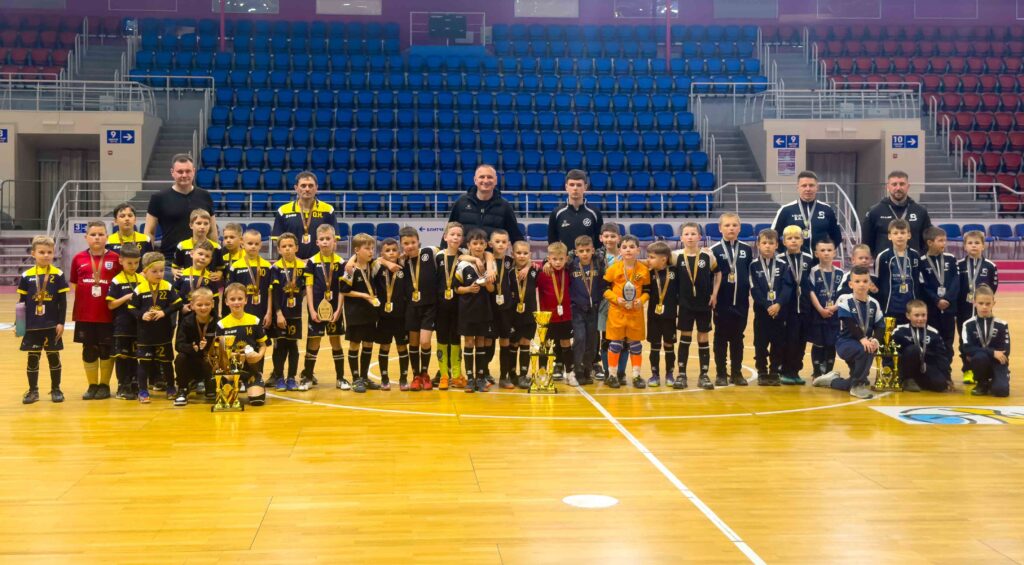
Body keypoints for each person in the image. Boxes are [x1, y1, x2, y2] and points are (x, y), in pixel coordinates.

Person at [812, 265, 884, 399]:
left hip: (863, 343)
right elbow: (849, 322)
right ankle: (857, 387)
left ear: (870, 284)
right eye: (857, 281)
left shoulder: (875, 303)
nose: (861, 284)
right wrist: (863, 339)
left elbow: (880, 326)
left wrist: (875, 340)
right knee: (866, 350)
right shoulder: (845, 300)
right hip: (845, 343)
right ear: (851, 284)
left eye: (865, 281)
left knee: (859, 372)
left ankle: (832, 380)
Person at [69, 221, 120, 400]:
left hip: (108, 314)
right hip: (85, 315)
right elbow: (74, 283)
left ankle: (104, 385)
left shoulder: (115, 258)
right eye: (93, 234)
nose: (97, 237)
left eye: (100, 234)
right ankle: (92, 385)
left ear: (107, 237)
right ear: (86, 237)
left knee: (106, 349)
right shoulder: (78, 258)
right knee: (89, 349)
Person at [145, 154, 217, 275]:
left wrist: (215, 259)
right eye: (180, 171)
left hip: (201, 261)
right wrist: (148, 260)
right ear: (172, 172)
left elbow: (212, 231)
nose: (184, 175)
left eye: (188, 171)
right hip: (170, 262)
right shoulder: (158, 198)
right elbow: (149, 232)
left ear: (194, 171)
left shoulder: (205, 196)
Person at [19, 236, 68, 404]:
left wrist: (61, 323)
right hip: (32, 326)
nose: (46, 255)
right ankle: (33, 391)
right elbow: (21, 302)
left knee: (54, 357)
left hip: (52, 325)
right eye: (42, 252)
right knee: (33, 359)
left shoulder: (58, 274)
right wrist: (20, 325)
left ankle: (56, 389)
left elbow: (62, 302)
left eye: (49, 252)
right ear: (33, 253)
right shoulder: (26, 276)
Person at [130, 252, 183, 403]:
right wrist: (142, 315)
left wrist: (164, 312)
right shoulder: (140, 289)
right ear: (145, 272)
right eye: (154, 271)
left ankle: (171, 387)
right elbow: (131, 308)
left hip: (163, 333)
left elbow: (178, 303)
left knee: (166, 362)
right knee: (144, 363)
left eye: (161, 270)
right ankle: (143, 390)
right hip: (145, 335)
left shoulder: (167, 286)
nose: (159, 274)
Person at [673, 223, 719, 390]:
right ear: (681, 238)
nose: (690, 237)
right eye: (686, 234)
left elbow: (718, 273)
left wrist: (714, 294)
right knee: (685, 337)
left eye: (693, 234)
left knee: (703, 336)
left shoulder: (708, 255)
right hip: (685, 304)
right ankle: (681, 374)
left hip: (703, 304)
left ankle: (704, 375)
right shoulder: (675, 256)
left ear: (700, 237)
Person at [709, 212, 753, 387]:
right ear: (720, 228)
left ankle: (736, 372)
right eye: (727, 225)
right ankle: (721, 373)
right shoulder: (714, 250)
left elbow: (748, 273)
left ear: (739, 228)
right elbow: (711, 277)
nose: (731, 228)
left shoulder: (746, 249)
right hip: (722, 302)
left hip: (741, 302)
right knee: (720, 337)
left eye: (734, 225)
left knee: (738, 338)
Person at [302, 224, 346, 390]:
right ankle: (307, 377)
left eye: (328, 239)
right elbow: (309, 287)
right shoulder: (312, 262)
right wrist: (312, 310)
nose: (325, 242)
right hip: (316, 311)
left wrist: (339, 310)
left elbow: (342, 289)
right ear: (317, 242)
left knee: (336, 342)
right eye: (322, 239)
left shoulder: (340, 263)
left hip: (335, 310)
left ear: (335, 241)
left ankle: (340, 378)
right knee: (314, 342)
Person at [602, 235, 650, 389]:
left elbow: (648, 290)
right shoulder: (613, 269)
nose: (628, 250)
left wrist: (641, 300)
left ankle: (636, 375)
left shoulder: (643, 270)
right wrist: (616, 299)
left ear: (638, 250)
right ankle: (612, 375)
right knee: (615, 344)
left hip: (635, 313)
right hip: (617, 312)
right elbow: (604, 289)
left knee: (635, 345)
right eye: (624, 247)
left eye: (631, 247)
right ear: (620, 251)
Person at [750, 228, 794, 386]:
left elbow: (787, 287)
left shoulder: (783, 265)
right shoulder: (753, 265)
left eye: (771, 243)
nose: (767, 246)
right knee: (760, 343)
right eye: (764, 243)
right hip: (762, 312)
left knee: (778, 342)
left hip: (779, 311)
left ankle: (774, 371)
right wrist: (767, 305)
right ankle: (762, 371)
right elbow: (754, 289)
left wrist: (778, 304)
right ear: (758, 245)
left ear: (777, 245)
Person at [456, 229, 496, 393]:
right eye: (475, 243)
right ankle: (470, 378)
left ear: (486, 245)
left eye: (481, 243)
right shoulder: (463, 265)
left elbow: (492, 289)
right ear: (468, 245)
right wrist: (468, 289)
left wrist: (487, 282)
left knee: (481, 341)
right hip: (467, 310)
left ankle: (480, 377)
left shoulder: (490, 265)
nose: (478, 246)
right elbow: (456, 288)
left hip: (484, 309)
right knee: (469, 342)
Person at [340, 234, 381, 394]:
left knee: (368, 344)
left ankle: (364, 377)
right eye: (367, 248)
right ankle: (356, 378)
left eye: (372, 248)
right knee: (355, 344)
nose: (371, 251)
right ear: (357, 250)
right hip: (355, 313)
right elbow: (344, 290)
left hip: (370, 312)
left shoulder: (372, 265)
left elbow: (383, 259)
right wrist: (364, 295)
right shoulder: (350, 269)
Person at [957, 230, 999, 384]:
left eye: (977, 243)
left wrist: (984, 302)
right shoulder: (959, 265)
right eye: (970, 243)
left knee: (984, 338)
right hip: (963, 309)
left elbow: (993, 287)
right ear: (964, 246)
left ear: (983, 246)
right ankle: (967, 370)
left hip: (983, 310)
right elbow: (956, 287)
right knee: (964, 339)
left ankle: (983, 370)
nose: (973, 246)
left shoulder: (990, 266)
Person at [217, 283, 269, 406]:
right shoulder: (222, 324)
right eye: (232, 299)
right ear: (226, 302)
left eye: (240, 298)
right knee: (227, 401)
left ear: (246, 300)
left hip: (251, 367)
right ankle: (233, 382)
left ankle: (255, 379)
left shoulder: (255, 320)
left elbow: (263, 345)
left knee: (257, 401)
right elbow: (220, 351)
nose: (236, 302)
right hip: (231, 369)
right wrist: (234, 356)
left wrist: (258, 356)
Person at [399, 226, 437, 391]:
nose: (410, 246)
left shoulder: (430, 252)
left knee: (425, 341)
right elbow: (379, 261)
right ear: (401, 245)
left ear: (418, 241)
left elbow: (455, 252)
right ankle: (416, 376)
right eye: (406, 243)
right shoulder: (401, 262)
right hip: (411, 307)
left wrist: (484, 258)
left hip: (429, 306)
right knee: (413, 343)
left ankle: (425, 373)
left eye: (413, 242)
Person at [771, 171, 842, 257]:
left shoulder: (827, 209)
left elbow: (837, 237)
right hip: (794, 261)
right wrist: (785, 252)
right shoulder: (786, 210)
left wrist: (826, 252)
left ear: (817, 187)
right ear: (798, 187)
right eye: (804, 185)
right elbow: (773, 236)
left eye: (811, 185)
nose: (808, 189)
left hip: (820, 261)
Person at [446, 164, 524, 243]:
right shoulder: (461, 202)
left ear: (496, 180)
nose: (486, 181)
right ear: (475, 180)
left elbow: (516, 236)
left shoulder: (504, 206)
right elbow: (449, 231)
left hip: (493, 251)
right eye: (482, 177)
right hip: (465, 251)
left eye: (490, 177)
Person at [271, 171, 339, 260]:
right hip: (290, 263)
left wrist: (312, 262)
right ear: (296, 188)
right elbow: (277, 242)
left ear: (316, 188)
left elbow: (334, 242)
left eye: (311, 186)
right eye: (303, 186)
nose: (307, 189)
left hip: (318, 264)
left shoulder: (328, 210)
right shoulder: (283, 211)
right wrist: (298, 261)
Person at [861, 170, 933, 255]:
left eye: (902, 184)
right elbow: (866, 242)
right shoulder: (874, 211)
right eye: (894, 184)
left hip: (913, 262)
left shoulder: (920, 211)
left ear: (908, 186)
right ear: (888, 187)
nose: (898, 188)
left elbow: (927, 241)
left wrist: (919, 258)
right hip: (884, 262)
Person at [106, 243, 143, 400]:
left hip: (138, 326)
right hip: (122, 326)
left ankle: (135, 384)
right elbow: (111, 304)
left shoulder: (142, 279)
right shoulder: (117, 280)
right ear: (121, 261)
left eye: (136, 263)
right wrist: (126, 297)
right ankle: (123, 385)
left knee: (135, 356)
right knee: (122, 356)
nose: (133, 266)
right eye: (129, 263)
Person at [270, 233, 306, 391]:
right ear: (279, 249)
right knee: (279, 346)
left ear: (296, 248)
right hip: (280, 314)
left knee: (293, 346)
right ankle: (279, 378)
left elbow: (306, 289)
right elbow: (275, 293)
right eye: (284, 246)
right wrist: (278, 313)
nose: (287, 249)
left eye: (290, 246)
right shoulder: (276, 268)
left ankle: (291, 377)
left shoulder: (303, 267)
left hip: (295, 315)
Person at [372, 238, 409, 391]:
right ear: (382, 253)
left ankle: (403, 379)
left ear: (399, 252)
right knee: (384, 347)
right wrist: (386, 263)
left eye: (394, 250)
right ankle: (384, 378)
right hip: (384, 316)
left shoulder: (404, 265)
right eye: (387, 251)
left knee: (402, 347)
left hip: (401, 316)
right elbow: (371, 260)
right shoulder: (377, 266)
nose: (391, 253)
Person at [778, 225, 813, 385]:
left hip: (804, 306)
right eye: (790, 238)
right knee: (788, 339)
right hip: (788, 307)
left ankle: (796, 371)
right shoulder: (780, 259)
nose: (793, 241)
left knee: (801, 340)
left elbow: (810, 283)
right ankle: (785, 370)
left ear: (802, 240)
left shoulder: (808, 259)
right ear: (784, 242)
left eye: (797, 238)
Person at [536, 241, 575, 385]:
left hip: (565, 316)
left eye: (561, 259)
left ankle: (570, 373)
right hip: (547, 317)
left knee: (566, 343)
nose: (558, 262)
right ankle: (542, 374)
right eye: (554, 259)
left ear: (566, 258)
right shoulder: (542, 273)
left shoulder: (569, 272)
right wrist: (543, 264)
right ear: (548, 259)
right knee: (545, 345)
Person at [960, 285, 1010, 397]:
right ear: (974, 303)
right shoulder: (968, 324)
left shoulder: (1002, 324)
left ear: (993, 303)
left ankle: (997, 379)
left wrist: (979, 351)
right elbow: (967, 348)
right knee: (979, 357)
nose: (984, 307)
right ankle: (982, 383)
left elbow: (1006, 351)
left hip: (998, 362)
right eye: (981, 303)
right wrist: (992, 352)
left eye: (988, 304)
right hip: (981, 361)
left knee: (1001, 391)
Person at [919, 226, 960, 364]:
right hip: (932, 308)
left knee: (948, 339)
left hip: (949, 307)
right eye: (940, 240)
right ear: (930, 242)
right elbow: (923, 286)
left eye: (945, 240)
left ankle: (946, 369)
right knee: (932, 338)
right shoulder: (922, 261)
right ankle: (932, 368)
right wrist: (936, 300)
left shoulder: (951, 259)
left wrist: (947, 299)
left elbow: (956, 281)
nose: (944, 243)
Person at [893, 300, 952, 393]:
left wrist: (947, 377)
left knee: (941, 385)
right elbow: (891, 353)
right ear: (908, 316)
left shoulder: (933, 333)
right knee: (914, 349)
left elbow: (941, 357)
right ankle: (907, 380)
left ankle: (918, 382)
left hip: (925, 368)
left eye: (923, 315)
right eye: (916, 315)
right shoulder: (899, 331)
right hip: (906, 369)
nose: (920, 318)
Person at [172, 287, 218, 406]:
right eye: (199, 305)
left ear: (213, 304)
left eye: (207, 304)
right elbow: (178, 345)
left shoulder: (218, 322)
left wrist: (210, 347)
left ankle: (211, 387)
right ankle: (182, 389)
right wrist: (192, 348)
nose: (203, 308)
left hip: (210, 361)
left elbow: (222, 344)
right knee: (181, 358)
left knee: (214, 359)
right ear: (192, 305)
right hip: (192, 361)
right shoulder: (186, 321)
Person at [570, 235, 605, 387]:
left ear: (593, 250)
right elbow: (554, 260)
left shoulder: (598, 263)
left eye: (587, 250)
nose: (584, 253)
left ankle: (587, 369)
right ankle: (577, 369)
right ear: (576, 252)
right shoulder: (571, 265)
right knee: (579, 338)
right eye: (581, 251)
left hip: (594, 309)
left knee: (592, 341)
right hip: (577, 309)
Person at [807, 238, 844, 379]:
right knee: (818, 343)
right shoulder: (813, 271)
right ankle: (817, 372)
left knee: (831, 343)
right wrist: (820, 309)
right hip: (818, 314)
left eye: (829, 250)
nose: (826, 253)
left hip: (834, 316)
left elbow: (843, 295)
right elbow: (811, 292)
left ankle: (828, 372)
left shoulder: (840, 273)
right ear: (816, 253)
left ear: (834, 252)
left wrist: (833, 308)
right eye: (822, 250)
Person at [435, 222, 466, 390]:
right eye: (452, 234)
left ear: (462, 239)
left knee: (455, 339)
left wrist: (473, 258)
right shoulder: (438, 256)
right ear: (445, 237)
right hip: (440, 306)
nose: (455, 237)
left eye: (459, 235)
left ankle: (456, 374)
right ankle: (443, 376)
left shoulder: (464, 256)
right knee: (442, 339)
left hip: (458, 306)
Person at [487, 229, 518, 389]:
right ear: (490, 244)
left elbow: (527, 261)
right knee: (488, 341)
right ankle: (484, 373)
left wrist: (528, 266)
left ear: (508, 244)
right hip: (489, 308)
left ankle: (504, 376)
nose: (500, 244)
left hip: (506, 309)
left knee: (505, 341)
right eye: (497, 241)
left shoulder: (511, 261)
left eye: (504, 242)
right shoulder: (486, 260)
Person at [643, 241, 677, 388]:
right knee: (655, 345)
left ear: (663, 259)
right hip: (653, 317)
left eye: (651, 257)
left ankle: (670, 374)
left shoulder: (675, 272)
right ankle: (654, 374)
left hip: (670, 316)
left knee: (669, 345)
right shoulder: (649, 273)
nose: (648, 260)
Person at [875, 219, 921, 324]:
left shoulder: (915, 256)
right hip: (889, 307)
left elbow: (919, 281)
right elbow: (877, 282)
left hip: (911, 308)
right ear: (889, 236)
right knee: (888, 334)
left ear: (909, 235)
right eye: (895, 233)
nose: (899, 236)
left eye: (903, 233)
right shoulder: (883, 256)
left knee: (908, 334)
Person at [597, 222, 627, 380]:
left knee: (623, 338)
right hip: (605, 302)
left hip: (624, 303)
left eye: (613, 236)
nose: (609, 239)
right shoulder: (597, 257)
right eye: (606, 236)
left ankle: (621, 372)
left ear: (619, 238)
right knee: (606, 338)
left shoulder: (626, 255)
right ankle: (608, 371)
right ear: (601, 238)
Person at [547, 169, 604, 252]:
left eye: (579, 185)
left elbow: (599, 242)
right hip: (565, 259)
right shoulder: (556, 213)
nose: (575, 188)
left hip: (588, 259)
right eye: (572, 185)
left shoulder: (595, 213)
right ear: (566, 187)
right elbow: (552, 242)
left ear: (585, 187)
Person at [510, 240, 539, 389]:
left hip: (529, 313)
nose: (522, 256)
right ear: (512, 254)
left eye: (525, 253)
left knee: (525, 342)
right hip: (512, 314)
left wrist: (529, 266)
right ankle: (512, 374)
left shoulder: (535, 270)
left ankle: (523, 375)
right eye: (519, 253)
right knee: (513, 343)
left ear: (530, 254)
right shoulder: (509, 271)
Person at [173, 240, 219, 317]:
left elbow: (215, 300)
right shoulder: (181, 274)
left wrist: (215, 317)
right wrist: (181, 308)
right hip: (185, 313)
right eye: (200, 254)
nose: (203, 257)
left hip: (204, 315)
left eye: (207, 256)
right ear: (192, 254)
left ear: (210, 260)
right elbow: (174, 297)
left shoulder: (211, 277)